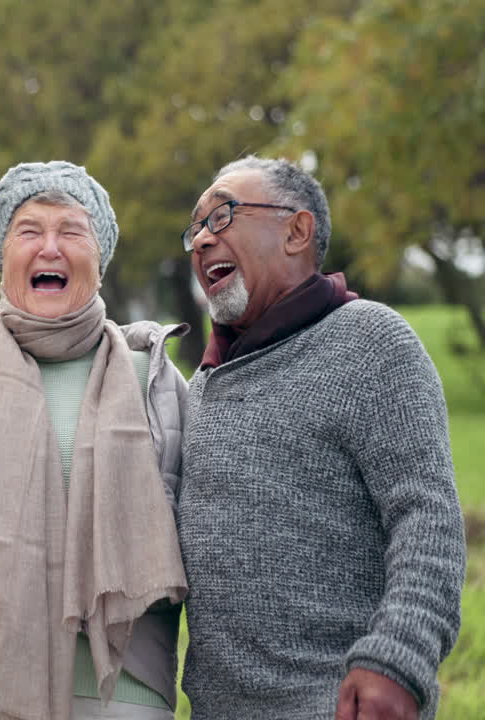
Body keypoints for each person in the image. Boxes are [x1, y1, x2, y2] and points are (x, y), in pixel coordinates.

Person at [0, 161, 189, 720]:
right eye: (29, 231)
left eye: (72, 232)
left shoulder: (151, 379)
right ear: (1, 258)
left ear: (98, 260)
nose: (50, 247)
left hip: (122, 692)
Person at [176, 155, 465, 720]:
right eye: (195, 229)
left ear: (296, 231)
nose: (202, 241)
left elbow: (427, 518)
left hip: (341, 705)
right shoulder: (203, 384)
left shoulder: (370, 341)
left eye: (222, 215)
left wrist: (397, 659)